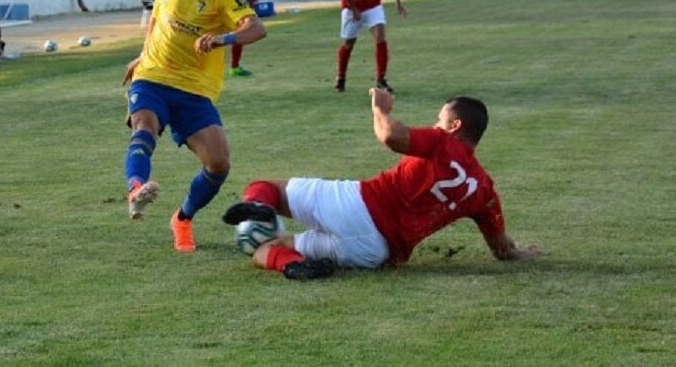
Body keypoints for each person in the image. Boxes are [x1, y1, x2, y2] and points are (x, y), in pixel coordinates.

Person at [222, 89, 542, 280]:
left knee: (266, 186)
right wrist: (522, 254)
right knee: (267, 249)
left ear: (454, 126)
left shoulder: (443, 142)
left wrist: (380, 108)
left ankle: (260, 206)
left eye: (439, 119)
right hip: (375, 252)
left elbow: (390, 135)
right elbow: (502, 249)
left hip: (356, 206)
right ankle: (296, 266)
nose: (435, 124)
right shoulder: (485, 191)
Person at [120, 0, 267, 252]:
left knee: (219, 164)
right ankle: (136, 189)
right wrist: (142, 56)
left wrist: (222, 38)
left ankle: (183, 218)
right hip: (153, 76)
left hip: (195, 89)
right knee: (144, 127)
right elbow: (157, 20)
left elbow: (257, 28)